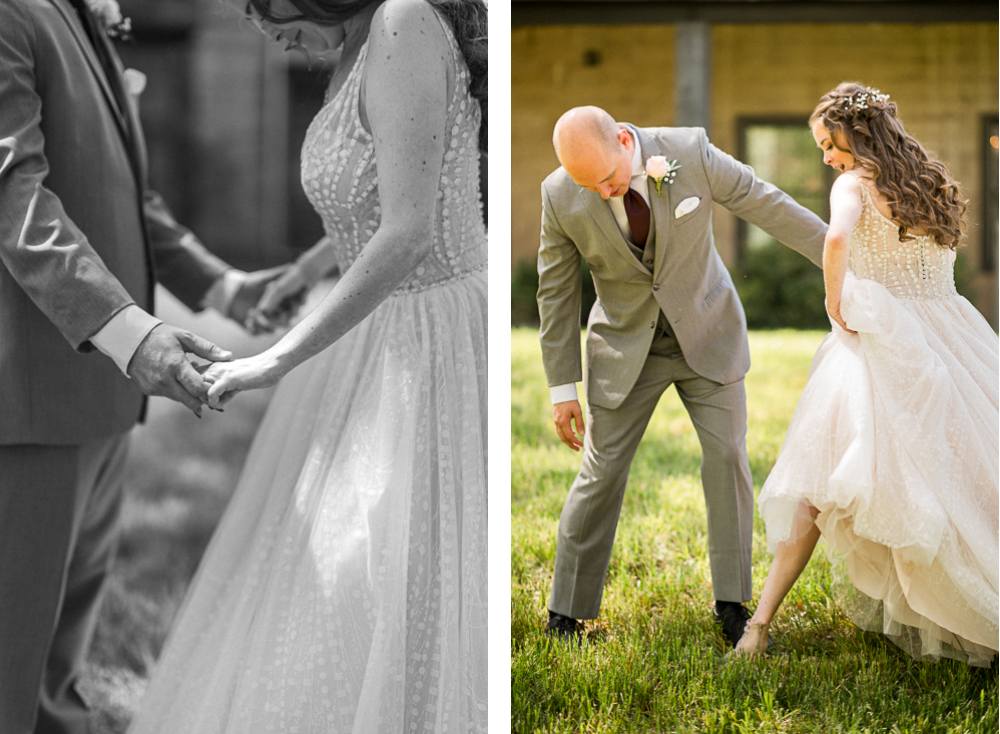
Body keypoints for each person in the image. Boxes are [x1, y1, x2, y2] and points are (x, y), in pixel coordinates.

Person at [126, 0, 487, 730]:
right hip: (369, 330)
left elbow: (412, 231)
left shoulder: (403, 23)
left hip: (424, 337)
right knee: (329, 567)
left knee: (385, 563)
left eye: (269, 7)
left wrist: (275, 360)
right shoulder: (360, 42)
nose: (262, 26)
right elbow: (385, 192)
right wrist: (308, 266)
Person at [0, 0, 296, 731]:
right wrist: (131, 333)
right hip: (32, 393)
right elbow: (15, 195)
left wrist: (221, 286)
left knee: (57, 665)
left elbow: (127, 195)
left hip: (100, 396)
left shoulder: (79, 13)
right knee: (11, 655)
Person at [537, 106, 828, 647]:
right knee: (599, 473)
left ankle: (732, 604)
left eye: (608, 179)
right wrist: (562, 388)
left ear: (626, 141)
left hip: (708, 334)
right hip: (625, 349)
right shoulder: (559, 195)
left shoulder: (688, 152)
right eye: (587, 185)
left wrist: (839, 255)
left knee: (727, 457)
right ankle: (566, 615)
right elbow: (555, 292)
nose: (602, 193)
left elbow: (764, 202)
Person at [733, 83, 999, 667]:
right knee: (967, 468)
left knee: (818, 482)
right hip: (953, 332)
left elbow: (835, 238)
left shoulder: (854, 184)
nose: (827, 157)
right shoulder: (929, 182)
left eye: (829, 144)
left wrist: (835, 302)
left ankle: (757, 626)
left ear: (856, 135)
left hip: (883, 338)